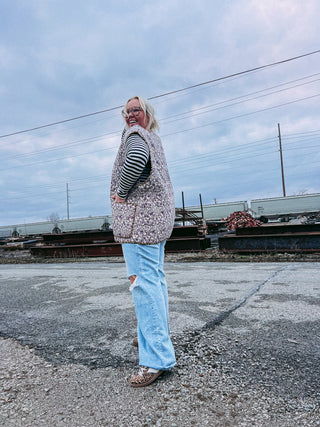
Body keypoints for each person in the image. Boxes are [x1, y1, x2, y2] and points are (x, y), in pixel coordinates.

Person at [110, 96, 176, 388]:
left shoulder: (135, 137)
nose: (130, 115)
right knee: (155, 282)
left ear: (147, 113)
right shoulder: (154, 139)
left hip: (140, 225)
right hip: (155, 222)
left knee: (143, 286)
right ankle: (152, 337)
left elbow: (135, 161)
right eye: (126, 112)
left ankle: (156, 360)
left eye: (136, 110)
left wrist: (122, 192)